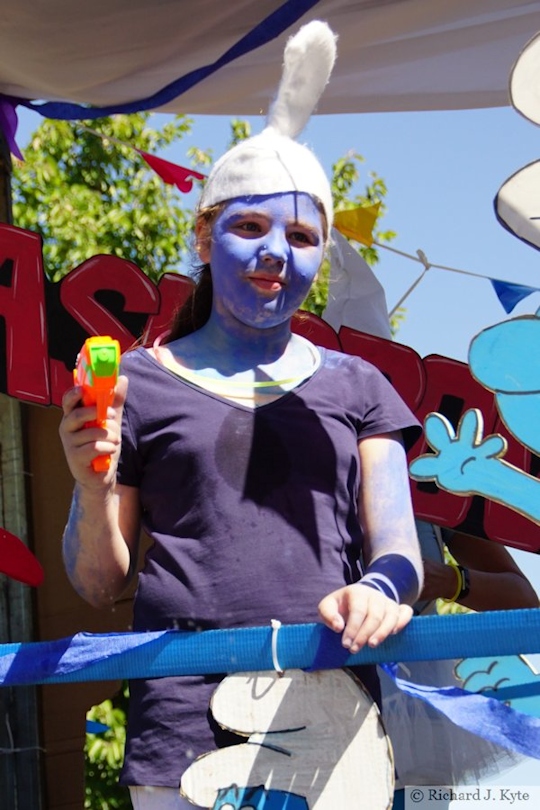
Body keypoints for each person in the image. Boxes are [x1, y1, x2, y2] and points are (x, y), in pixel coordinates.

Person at [59, 21, 423, 810]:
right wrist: (90, 489)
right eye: (249, 226)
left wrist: (381, 590)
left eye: (299, 236)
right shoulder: (141, 385)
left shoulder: (359, 384)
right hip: (181, 733)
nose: (274, 254)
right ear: (204, 234)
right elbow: (98, 585)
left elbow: (400, 548)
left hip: (337, 722)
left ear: (321, 255)